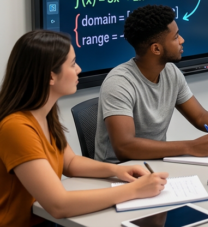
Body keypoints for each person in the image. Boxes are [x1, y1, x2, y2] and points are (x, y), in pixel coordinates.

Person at [0, 30, 168, 227]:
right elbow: (59, 205)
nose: (79, 69)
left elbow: (70, 163)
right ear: (50, 76)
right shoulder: (17, 127)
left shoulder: (44, 113)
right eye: (72, 64)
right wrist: (136, 190)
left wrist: (117, 170)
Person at [94, 5, 208, 163]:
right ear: (156, 49)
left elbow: (200, 117)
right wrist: (190, 147)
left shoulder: (170, 72)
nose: (182, 40)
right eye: (175, 37)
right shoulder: (119, 83)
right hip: (117, 171)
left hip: (156, 164)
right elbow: (125, 147)